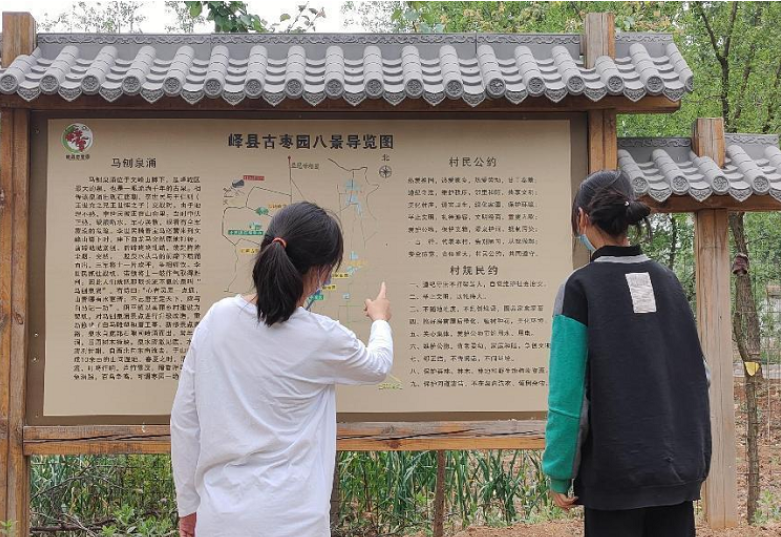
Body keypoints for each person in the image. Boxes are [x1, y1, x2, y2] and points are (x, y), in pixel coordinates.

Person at [171, 201, 393, 537]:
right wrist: (380, 320)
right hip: (295, 519)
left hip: (221, 516)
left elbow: (185, 419)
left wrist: (188, 506)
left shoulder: (217, 319)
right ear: (320, 272)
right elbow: (377, 366)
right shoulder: (322, 337)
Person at [543, 170, 711, 537]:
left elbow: (567, 397)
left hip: (614, 477)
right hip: (675, 473)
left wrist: (559, 471)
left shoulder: (579, 288)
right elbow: (701, 376)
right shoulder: (668, 281)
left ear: (582, 218)